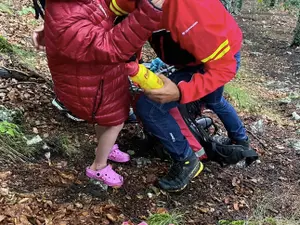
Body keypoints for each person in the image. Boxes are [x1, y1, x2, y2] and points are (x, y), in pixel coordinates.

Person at [38, 0, 162, 187]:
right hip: (88, 86)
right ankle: (98, 166)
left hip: (99, 78)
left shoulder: (72, 5)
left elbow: (103, 11)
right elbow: (111, 47)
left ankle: (106, 147)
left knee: (105, 118)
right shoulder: (67, 22)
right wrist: (150, 11)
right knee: (115, 121)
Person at [133, 0, 250, 192]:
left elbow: (223, 68)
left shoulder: (194, 11)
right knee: (211, 100)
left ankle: (190, 159)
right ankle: (238, 139)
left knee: (155, 107)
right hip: (194, 58)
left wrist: (181, 92)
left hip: (217, 59)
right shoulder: (139, 4)